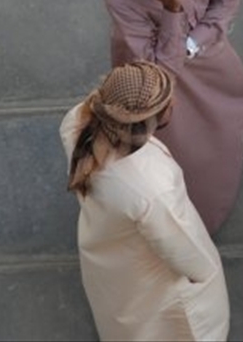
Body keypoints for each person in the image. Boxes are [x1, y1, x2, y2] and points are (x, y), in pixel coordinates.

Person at [94, 0, 243, 233]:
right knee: (188, 141)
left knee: (229, 104)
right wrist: (172, 12)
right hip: (168, 86)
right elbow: (157, 73)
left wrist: (197, 41)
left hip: (209, 53)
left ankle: (231, 146)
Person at [60, 61, 230, 341]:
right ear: (153, 117)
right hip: (150, 273)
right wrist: (204, 273)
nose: (173, 102)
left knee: (122, 313)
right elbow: (184, 251)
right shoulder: (150, 185)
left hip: (106, 243)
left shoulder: (79, 119)